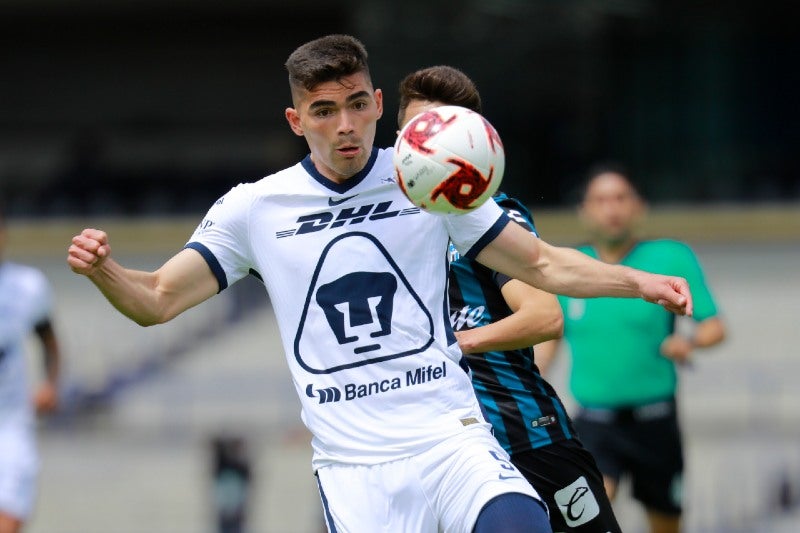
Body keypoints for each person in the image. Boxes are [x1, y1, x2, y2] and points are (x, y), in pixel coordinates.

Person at [67, 34, 693, 533]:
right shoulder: (254, 208)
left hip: (450, 438)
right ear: (296, 120)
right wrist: (104, 271)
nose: (346, 125)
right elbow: (157, 300)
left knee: (521, 523)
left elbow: (542, 265)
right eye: (324, 111)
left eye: (357, 105)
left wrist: (641, 282)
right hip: (355, 469)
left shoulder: (426, 177)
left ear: (376, 103)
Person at [398, 65, 622, 533]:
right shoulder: (383, 230)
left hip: (527, 439)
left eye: (439, 136)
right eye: (415, 135)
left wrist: (455, 343)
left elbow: (543, 316)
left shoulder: (491, 219)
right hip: (437, 452)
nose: (424, 148)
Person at [536, 164, 726, 533]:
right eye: (601, 200)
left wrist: (688, 342)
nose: (612, 209)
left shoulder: (669, 258)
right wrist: (531, 378)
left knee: (665, 523)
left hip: (655, 421)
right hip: (594, 424)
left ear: (638, 206)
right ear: (584, 211)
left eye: (620, 198)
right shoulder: (571, 268)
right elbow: (549, 339)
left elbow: (714, 326)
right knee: (589, 519)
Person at [0, 202, 62, 533]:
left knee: (8, 521)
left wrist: (50, 384)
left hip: (11, 425)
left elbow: (49, 342)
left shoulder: (27, 285)